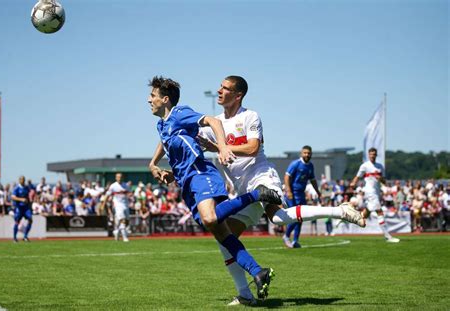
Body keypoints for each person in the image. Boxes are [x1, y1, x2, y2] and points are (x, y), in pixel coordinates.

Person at [198, 75, 366, 305]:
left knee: (277, 218)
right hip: (243, 190)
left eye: (225, 88)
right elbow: (190, 140)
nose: (219, 91)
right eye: (219, 87)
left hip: (261, 177)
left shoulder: (250, 116)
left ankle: (340, 211)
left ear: (238, 95)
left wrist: (220, 146)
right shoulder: (215, 124)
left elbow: (253, 147)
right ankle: (245, 295)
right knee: (224, 237)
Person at [147, 76, 283, 300]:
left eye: (152, 96)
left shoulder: (180, 113)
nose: (148, 99)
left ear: (165, 99)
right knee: (220, 233)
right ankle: (258, 272)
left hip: (200, 173)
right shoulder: (162, 124)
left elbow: (213, 121)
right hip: (187, 182)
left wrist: (221, 146)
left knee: (210, 219)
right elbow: (165, 140)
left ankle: (257, 194)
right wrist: (154, 165)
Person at [350, 147, 400, 243]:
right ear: (368, 155)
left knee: (367, 212)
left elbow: (384, 182)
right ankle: (388, 236)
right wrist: (353, 183)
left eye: (374, 154)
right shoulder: (365, 166)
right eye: (371, 154)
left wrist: (380, 178)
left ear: (376, 155)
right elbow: (357, 177)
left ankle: (349, 217)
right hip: (370, 192)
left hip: (377, 192)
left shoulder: (380, 166)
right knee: (379, 211)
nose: (372, 156)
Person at [282, 145, 322, 248]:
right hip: (292, 194)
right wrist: (289, 191)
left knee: (301, 218)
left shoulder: (310, 166)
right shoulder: (295, 164)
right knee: (295, 217)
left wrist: (318, 191)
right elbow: (286, 177)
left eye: (308, 153)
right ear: (301, 153)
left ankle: (295, 241)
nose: (307, 155)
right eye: (305, 153)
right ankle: (286, 236)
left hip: (301, 194)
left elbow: (312, 180)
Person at [102, 173, 131, 242]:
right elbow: (107, 195)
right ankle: (124, 237)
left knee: (126, 221)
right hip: (117, 205)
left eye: (120, 177)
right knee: (122, 220)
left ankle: (116, 231)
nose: (119, 178)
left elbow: (129, 193)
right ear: (116, 178)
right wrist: (103, 204)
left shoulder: (126, 185)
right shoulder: (113, 186)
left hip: (125, 205)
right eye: (118, 177)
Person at [11, 176, 33, 242]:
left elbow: (29, 195)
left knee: (30, 220)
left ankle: (25, 236)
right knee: (17, 222)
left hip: (26, 208)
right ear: (19, 180)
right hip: (19, 207)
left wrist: (30, 203)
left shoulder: (26, 188)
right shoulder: (17, 188)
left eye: (24, 180)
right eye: (22, 180)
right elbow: (13, 197)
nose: (23, 181)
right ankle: (14, 238)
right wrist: (21, 199)